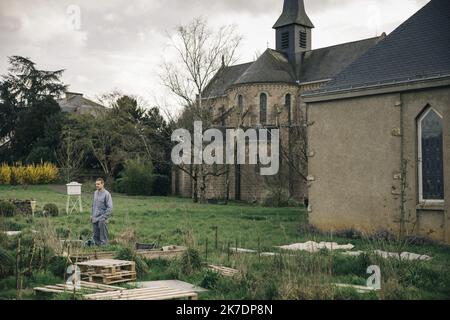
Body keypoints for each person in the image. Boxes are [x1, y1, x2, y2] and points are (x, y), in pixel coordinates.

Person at [91, 178, 113, 246]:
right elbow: (93, 205)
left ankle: (104, 246)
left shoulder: (107, 194)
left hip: (102, 218)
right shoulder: (95, 193)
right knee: (95, 236)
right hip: (95, 217)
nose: (97, 185)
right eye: (96, 184)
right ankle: (97, 245)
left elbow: (110, 207)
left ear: (102, 184)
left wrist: (104, 217)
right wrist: (91, 215)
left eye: (98, 184)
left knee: (103, 236)